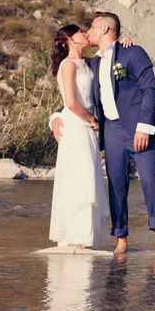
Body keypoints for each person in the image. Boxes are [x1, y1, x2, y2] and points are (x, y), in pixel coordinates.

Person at [51, 12, 155, 257]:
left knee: (149, 180)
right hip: (111, 132)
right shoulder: (92, 64)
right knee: (117, 185)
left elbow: (150, 89)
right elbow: (73, 97)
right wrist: (54, 117)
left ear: (105, 29)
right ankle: (121, 240)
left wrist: (143, 126)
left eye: (93, 27)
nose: (88, 32)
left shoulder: (133, 52)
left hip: (139, 128)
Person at [48, 24, 109, 249]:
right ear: (69, 39)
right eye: (80, 32)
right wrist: (92, 120)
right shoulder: (67, 65)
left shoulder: (89, 63)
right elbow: (71, 103)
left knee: (90, 179)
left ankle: (86, 235)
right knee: (78, 180)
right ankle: (75, 235)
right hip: (77, 128)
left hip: (88, 132)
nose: (85, 33)